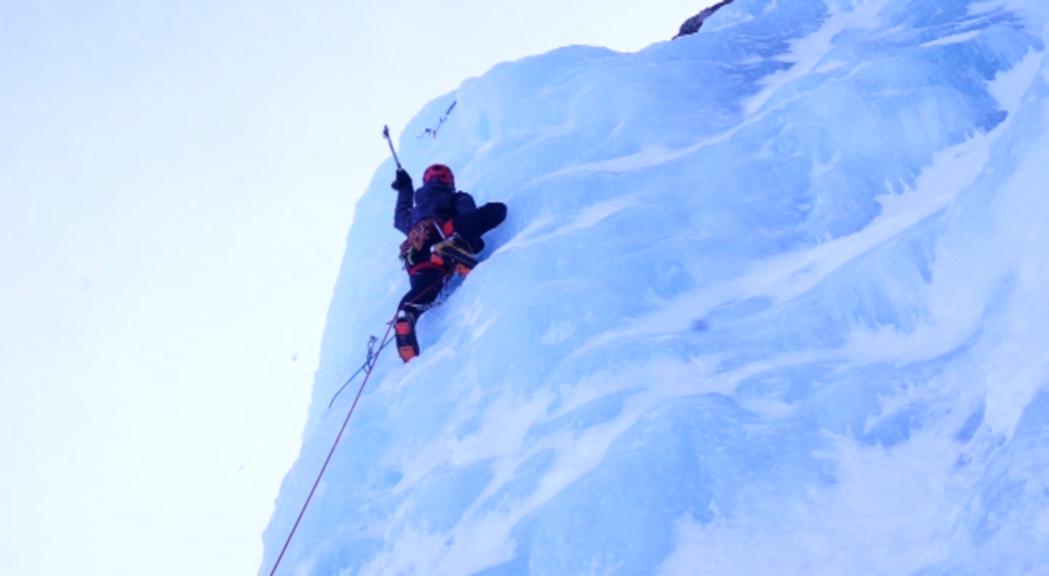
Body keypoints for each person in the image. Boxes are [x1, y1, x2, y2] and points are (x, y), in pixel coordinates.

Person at [390, 163, 507, 362]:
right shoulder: (457, 197)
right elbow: (468, 214)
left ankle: (406, 313)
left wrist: (405, 187)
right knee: (495, 212)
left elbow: (399, 217)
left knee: (424, 288)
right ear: (449, 183)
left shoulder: (413, 213)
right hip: (445, 232)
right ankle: (453, 249)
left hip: (416, 254)